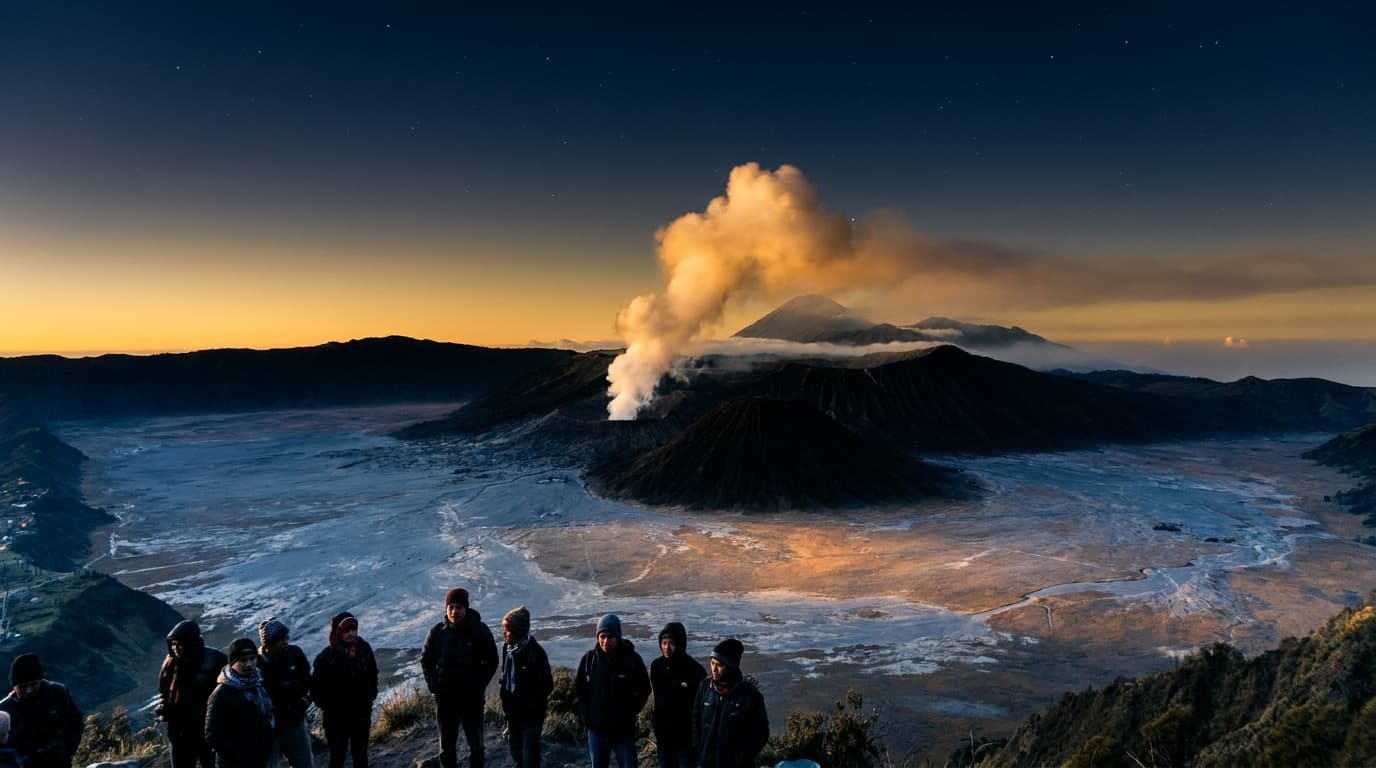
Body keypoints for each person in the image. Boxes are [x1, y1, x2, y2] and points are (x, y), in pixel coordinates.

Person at [421, 588, 498, 768]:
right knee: (446, 747)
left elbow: (491, 661)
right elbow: (426, 661)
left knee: (476, 746)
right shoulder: (437, 632)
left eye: (459, 607)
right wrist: (435, 686)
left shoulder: (479, 630)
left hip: (471, 700)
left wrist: (478, 685)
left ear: (466, 608)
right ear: (446, 609)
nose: (455, 611)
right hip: (445, 701)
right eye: (451, 607)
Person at [574, 614, 650, 768]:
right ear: (597, 637)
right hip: (596, 729)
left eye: (610, 636)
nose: (606, 641)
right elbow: (579, 690)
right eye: (602, 636)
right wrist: (584, 713)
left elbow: (644, 688)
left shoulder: (631, 660)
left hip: (623, 730)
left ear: (618, 636)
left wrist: (630, 711)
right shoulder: (589, 660)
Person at [310, 612, 379, 768]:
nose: (351, 634)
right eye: (346, 631)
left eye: (353, 629)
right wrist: (331, 707)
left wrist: (371, 693)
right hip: (337, 722)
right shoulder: (326, 658)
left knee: (360, 755)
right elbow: (316, 690)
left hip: (361, 715)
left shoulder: (363, 648)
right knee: (338, 758)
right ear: (337, 632)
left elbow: (373, 671)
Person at [158, 620, 230, 768]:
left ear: (192, 642)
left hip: (207, 731)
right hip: (179, 732)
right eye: (173, 643)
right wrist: (164, 706)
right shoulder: (171, 662)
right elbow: (165, 690)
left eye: (180, 643)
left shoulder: (215, 660)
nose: (175, 648)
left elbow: (227, 695)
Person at [691, 639, 768, 768]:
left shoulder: (749, 695)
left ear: (731, 666)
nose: (714, 669)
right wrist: (697, 748)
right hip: (705, 762)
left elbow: (761, 733)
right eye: (712, 663)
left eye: (719, 665)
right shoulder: (705, 687)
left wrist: (742, 757)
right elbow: (695, 718)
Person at [0, 653, 83, 768]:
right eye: (23, 686)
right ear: (14, 687)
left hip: (59, 761)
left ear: (41, 680)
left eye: (33, 684)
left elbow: (75, 722)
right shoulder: (5, 711)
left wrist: (67, 748)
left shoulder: (57, 693)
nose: (29, 690)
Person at [205, 638, 276, 768]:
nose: (249, 664)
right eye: (242, 660)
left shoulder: (258, 684)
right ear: (232, 663)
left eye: (252, 658)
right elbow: (213, 736)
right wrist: (240, 756)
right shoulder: (222, 693)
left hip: (260, 759)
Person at [497, 606, 553, 768]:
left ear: (518, 631)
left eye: (508, 630)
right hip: (513, 713)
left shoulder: (535, 653)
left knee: (530, 755)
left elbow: (547, 685)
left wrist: (530, 706)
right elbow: (506, 677)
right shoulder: (507, 649)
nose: (504, 633)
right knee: (516, 751)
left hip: (531, 717)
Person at [258, 618, 314, 768]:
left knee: (304, 764)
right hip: (271, 729)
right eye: (280, 639)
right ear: (268, 644)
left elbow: (308, 680)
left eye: (286, 637)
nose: (285, 642)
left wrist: (304, 702)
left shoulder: (294, 653)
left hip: (295, 721)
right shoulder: (257, 664)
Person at [649, 622, 706, 768]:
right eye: (664, 642)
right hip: (663, 735)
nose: (667, 647)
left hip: (685, 737)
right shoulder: (656, 667)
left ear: (680, 644)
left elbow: (700, 706)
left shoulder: (695, 670)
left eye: (672, 643)